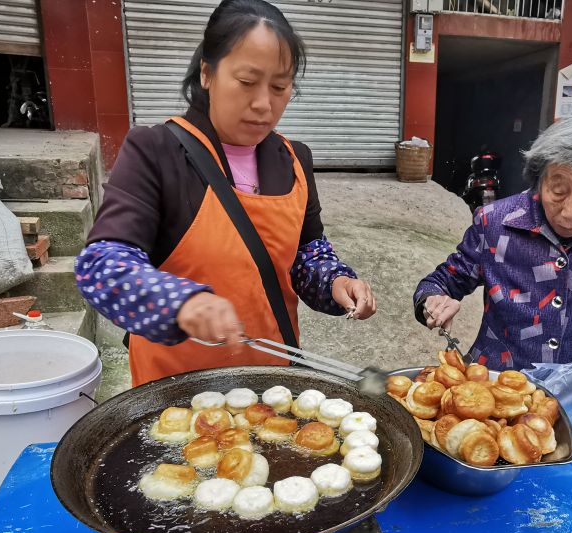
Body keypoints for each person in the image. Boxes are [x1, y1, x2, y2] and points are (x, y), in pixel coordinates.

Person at [77, 0, 376, 386]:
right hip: (174, 395)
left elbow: (305, 253)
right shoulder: (155, 151)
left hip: (271, 384)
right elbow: (101, 265)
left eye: (280, 87)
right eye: (247, 82)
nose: (263, 104)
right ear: (207, 73)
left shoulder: (294, 160)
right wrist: (182, 303)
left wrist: (336, 282)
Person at [413, 117, 572, 376]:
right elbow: (441, 281)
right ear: (539, 179)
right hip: (496, 384)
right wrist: (433, 300)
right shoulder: (494, 222)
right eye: (558, 191)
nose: (570, 213)